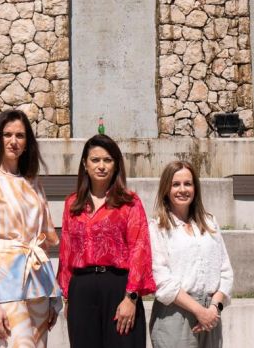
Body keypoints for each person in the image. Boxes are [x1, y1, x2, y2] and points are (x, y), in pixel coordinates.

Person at [0, 108, 61, 348]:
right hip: (5, 284)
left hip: (38, 285)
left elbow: (43, 242)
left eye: (20, 135)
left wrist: (52, 295)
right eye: (7, 134)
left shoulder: (34, 183)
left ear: (27, 142)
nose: (13, 141)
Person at [57, 134, 156, 348]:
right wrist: (67, 297)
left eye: (107, 160)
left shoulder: (129, 202)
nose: (101, 166)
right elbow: (66, 251)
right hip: (81, 290)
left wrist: (131, 297)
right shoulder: (72, 203)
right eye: (95, 160)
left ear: (116, 164)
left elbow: (140, 249)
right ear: (85, 164)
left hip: (119, 288)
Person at [148, 160, 233, 348]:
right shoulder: (157, 227)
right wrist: (199, 311)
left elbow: (225, 271)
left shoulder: (210, 223)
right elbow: (161, 279)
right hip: (175, 314)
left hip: (211, 314)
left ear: (195, 188)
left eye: (188, 183)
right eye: (175, 184)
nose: (182, 189)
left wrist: (214, 308)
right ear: (166, 189)